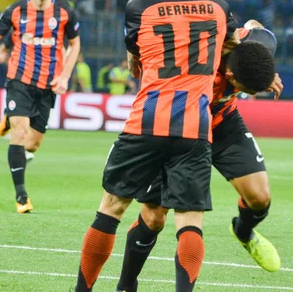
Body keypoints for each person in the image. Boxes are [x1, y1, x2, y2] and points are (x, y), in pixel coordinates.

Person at [74, 0, 240, 292]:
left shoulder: (139, 7)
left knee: (112, 207)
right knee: (189, 220)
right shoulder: (219, 10)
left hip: (144, 122)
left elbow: (135, 56)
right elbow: (238, 47)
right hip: (194, 127)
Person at [115, 26, 283, 292]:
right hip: (182, 125)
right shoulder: (202, 56)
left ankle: (242, 231)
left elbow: (255, 26)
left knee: (260, 197)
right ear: (229, 74)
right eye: (245, 89)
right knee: (155, 216)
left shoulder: (248, 42)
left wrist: (264, 70)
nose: (248, 94)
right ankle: (125, 285)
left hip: (224, 123)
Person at [0, 0, 81, 214]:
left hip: (48, 85)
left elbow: (75, 44)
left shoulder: (65, 12)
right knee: (20, 133)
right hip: (20, 80)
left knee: (33, 144)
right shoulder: (16, 10)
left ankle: (7, 120)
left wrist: (65, 76)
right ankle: (21, 197)